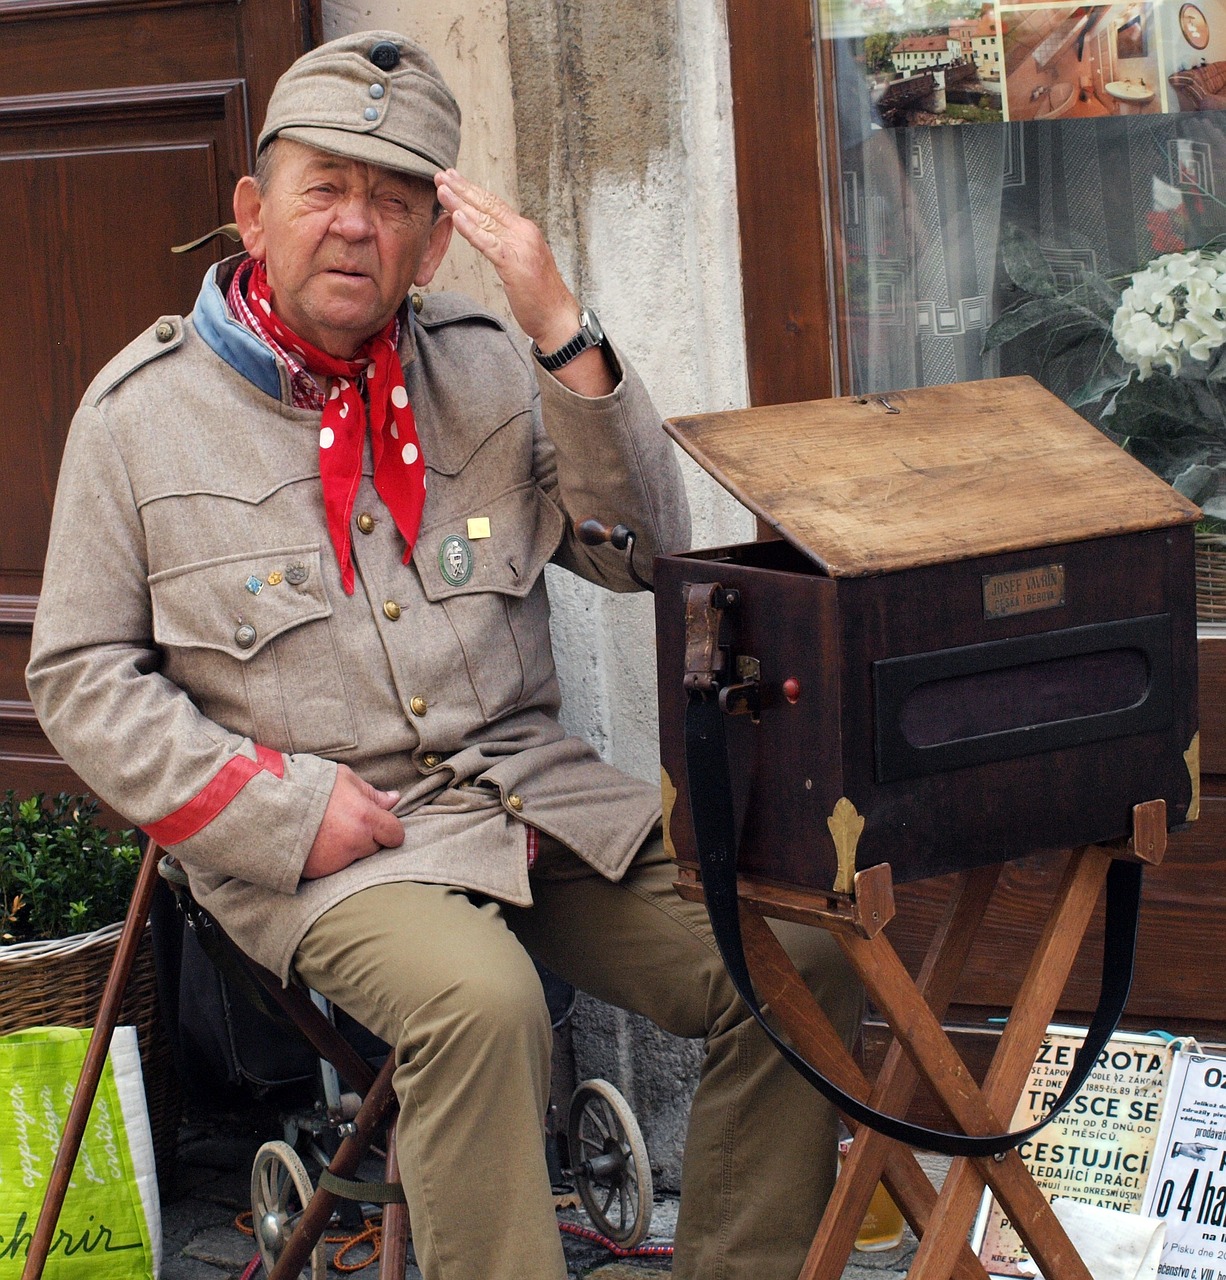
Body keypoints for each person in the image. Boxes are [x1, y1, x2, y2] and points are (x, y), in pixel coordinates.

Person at [27, 31, 861, 1280]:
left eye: (396, 200)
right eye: (326, 188)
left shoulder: (485, 362)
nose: (357, 225)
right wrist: (278, 805)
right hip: (315, 849)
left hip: (530, 799)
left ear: (429, 240)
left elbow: (639, 555)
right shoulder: (140, 416)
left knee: (797, 958)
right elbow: (79, 673)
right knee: (481, 1003)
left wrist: (562, 328)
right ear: (254, 212)